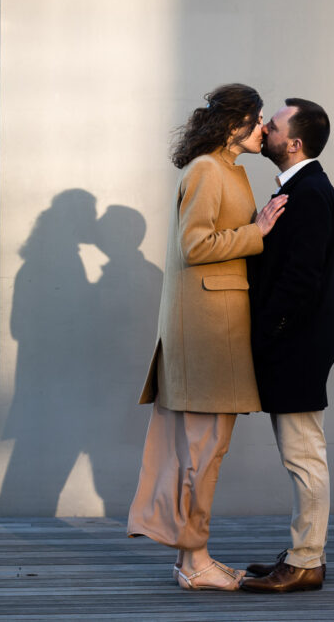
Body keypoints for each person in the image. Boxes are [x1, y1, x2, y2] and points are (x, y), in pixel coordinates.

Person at [127, 84, 287, 591]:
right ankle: (194, 562)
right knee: (201, 452)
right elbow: (195, 246)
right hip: (205, 335)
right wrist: (258, 231)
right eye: (259, 119)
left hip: (220, 330)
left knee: (205, 451)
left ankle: (192, 559)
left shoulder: (228, 171)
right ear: (235, 122)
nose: (265, 129)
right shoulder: (205, 170)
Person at [241, 98, 334, 593]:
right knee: (302, 454)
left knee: (304, 455)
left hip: (296, 345)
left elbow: (301, 281)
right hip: (295, 341)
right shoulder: (299, 190)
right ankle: (305, 552)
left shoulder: (309, 194)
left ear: (294, 142)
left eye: (273, 125)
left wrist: (265, 336)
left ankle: (306, 560)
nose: (263, 128)